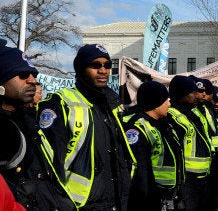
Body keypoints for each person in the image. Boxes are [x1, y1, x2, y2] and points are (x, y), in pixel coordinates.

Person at [38, 43, 135, 210]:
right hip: (81, 204)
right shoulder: (60, 104)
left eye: (107, 65)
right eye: (95, 65)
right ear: (81, 69)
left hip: (117, 202)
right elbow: (49, 165)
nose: (103, 70)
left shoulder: (112, 105)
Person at [0, 40, 74, 210]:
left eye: (34, 75)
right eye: (23, 75)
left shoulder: (29, 121)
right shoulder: (4, 130)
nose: (33, 81)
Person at [123, 81, 184, 210]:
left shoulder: (164, 124)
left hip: (166, 195)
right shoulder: (136, 128)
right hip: (149, 198)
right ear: (155, 103)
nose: (169, 103)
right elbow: (139, 170)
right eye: (166, 100)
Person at [167, 75, 213, 211]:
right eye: (192, 93)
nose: (197, 96)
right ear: (182, 94)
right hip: (187, 178)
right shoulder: (172, 115)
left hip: (202, 175)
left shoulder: (194, 112)